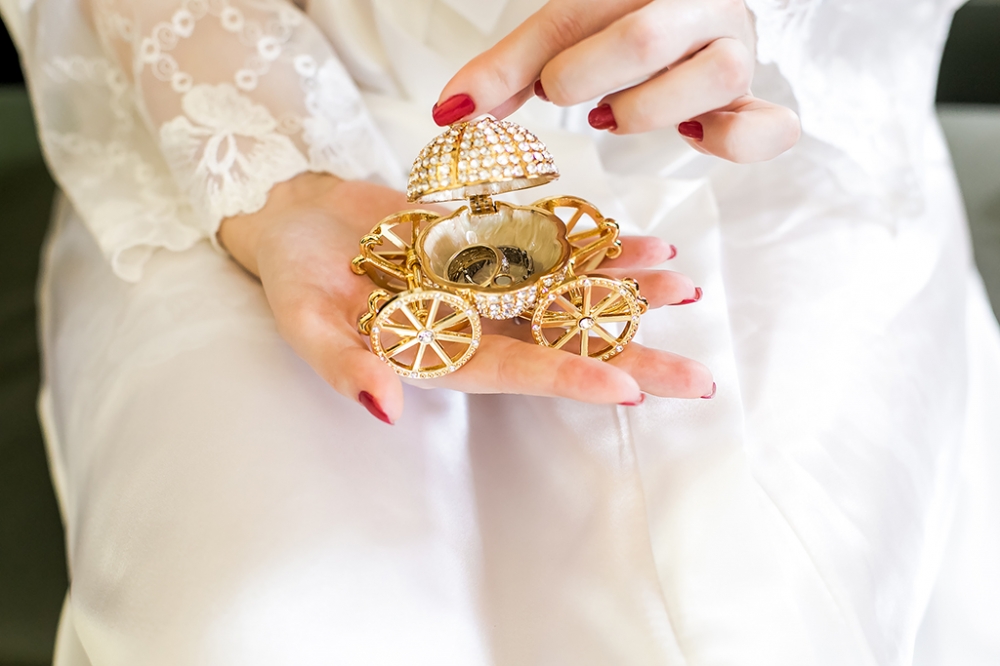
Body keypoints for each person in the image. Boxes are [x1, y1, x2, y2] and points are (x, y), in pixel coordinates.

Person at [2, 0, 997, 663]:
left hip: (767, 119)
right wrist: (270, 168)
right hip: (258, 90)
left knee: (759, 616)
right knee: (269, 623)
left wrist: (770, 22)